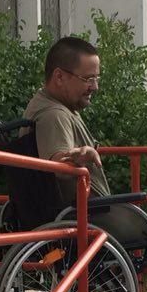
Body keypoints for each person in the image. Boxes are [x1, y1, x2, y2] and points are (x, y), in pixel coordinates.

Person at [21, 37, 111, 200]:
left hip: (90, 210)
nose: (95, 86)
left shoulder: (55, 105)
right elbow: (61, 167)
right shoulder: (54, 114)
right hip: (89, 212)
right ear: (59, 77)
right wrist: (78, 159)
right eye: (88, 79)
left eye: (96, 78)